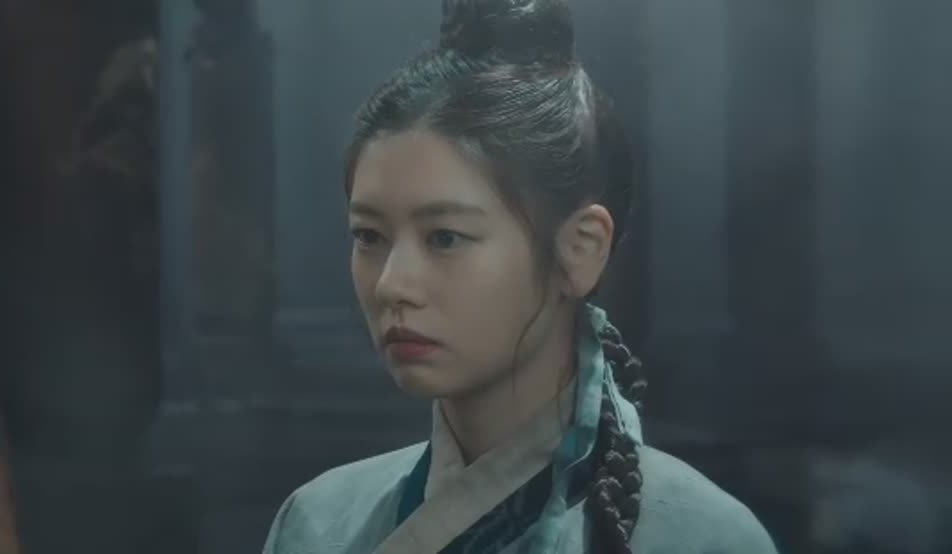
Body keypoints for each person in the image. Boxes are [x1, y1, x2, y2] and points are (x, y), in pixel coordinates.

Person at [261, 1, 778, 552]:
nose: (391, 285)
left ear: (580, 249)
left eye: (445, 237)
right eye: (369, 236)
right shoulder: (317, 525)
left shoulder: (704, 538)